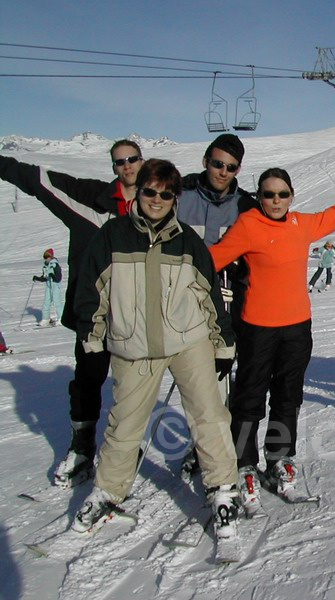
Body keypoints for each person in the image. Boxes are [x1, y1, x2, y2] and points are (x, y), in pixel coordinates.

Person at [209, 159, 335, 514]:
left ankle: (279, 460)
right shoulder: (248, 225)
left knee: (287, 397)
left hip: (296, 328)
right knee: (248, 398)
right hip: (257, 329)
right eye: (268, 194)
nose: (276, 200)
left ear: (291, 196)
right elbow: (211, 259)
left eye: (283, 194)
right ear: (259, 196)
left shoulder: (300, 224)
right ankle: (244, 465)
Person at [72, 159, 239, 539]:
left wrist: (223, 343)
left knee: (208, 416)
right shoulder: (112, 236)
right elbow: (91, 292)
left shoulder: (188, 242)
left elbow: (210, 295)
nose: (157, 199)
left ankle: (223, 488)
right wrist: (92, 337)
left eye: (166, 193)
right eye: (150, 191)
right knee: (124, 425)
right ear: (139, 192)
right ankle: (108, 491)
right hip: (133, 348)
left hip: (187, 342)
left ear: (175, 197)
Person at [0, 140, 143, 486]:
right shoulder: (88, 198)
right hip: (94, 316)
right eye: (120, 161)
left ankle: (124, 448)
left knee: (135, 386)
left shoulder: (160, 200)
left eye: (133, 159)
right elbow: (35, 179)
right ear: (113, 167)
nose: (127, 166)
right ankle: (81, 448)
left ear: (142, 161)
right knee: (88, 381)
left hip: (139, 316)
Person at [175, 133, 257, 478]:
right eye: (217, 163)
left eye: (231, 167)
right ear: (205, 160)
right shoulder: (180, 195)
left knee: (231, 375)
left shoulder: (245, 205)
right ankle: (203, 445)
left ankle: (232, 445)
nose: (223, 171)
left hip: (232, 299)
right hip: (187, 299)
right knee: (200, 379)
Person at [33, 248, 64, 326]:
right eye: (45, 258)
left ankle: (61, 318)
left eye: (48, 257)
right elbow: (44, 277)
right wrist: (37, 278)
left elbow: (58, 277)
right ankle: (45, 319)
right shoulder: (45, 266)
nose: (46, 259)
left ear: (51, 257)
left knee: (57, 303)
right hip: (49, 286)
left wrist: (52, 275)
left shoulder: (55, 265)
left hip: (55, 286)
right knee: (46, 302)